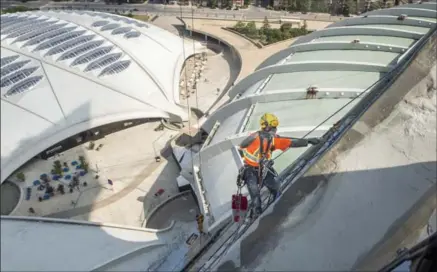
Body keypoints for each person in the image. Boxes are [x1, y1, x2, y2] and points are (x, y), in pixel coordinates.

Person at [238, 113, 323, 218]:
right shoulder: (265, 139)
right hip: (254, 170)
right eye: (273, 126)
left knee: (267, 191)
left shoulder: (265, 138)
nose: (275, 129)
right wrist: (309, 141)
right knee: (261, 193)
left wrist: (308, 141)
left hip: (258, 170)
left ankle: (266, 210)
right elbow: (291, 143)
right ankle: (258, 213)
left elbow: (290, 142)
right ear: (267, 126)